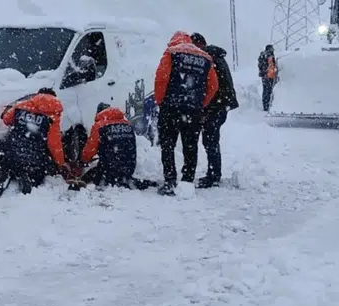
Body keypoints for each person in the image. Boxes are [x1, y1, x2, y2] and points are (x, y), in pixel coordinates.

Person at [153, 31, 219, 196]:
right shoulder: (204, 58)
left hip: (170, 107)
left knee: (167, 145)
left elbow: (161, 78)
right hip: (193, 111)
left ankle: (170, 180)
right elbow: (213, 86)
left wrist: (161, 101)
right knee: (191, 146)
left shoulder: (171, 53)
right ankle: (188, 180)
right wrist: (200, 103)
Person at [0, 87, 67, 196]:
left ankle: (7, 171)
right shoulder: (52, 116)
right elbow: (54, 144)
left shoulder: (21, 106)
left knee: (7, 157)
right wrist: (60, 163)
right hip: (34, 157)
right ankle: (26, 176)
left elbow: (6, 120)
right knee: (39, 170)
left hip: (11, 150)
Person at [197, 43, 239, 189]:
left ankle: (214, 175)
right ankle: (214, 173)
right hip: (221, 105)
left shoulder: (210, 59)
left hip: (217, 106)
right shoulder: (216, 57)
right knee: (211, 140)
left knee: (210, 140)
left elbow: (213, 87)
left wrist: (205, 109)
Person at [79, 103, 137, 188]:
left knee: (86, 177)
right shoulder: (127, 124)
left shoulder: (99, 126)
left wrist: (84, 160)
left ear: (99, 113)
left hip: (109, 170)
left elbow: (89, 150)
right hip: (129, 169)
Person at [258, 44, 278, 111]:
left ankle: (266, 106)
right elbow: (271, 66)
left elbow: (261, 66)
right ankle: (267, 106)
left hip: (265, 76)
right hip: (269, 76)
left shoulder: (263, 55)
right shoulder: (269, 55)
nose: (273, 50)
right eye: (272, 48)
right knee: (268, 91)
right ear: (270, 49)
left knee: (266, 91)